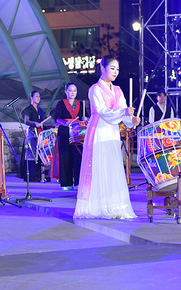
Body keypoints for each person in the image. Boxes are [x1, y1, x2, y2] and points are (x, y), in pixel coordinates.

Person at [74, 56, 140, 219]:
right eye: (112, 68)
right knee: (98, 167)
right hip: (98, 131)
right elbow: (102, 111)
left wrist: (132, 120)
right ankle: (96, 207)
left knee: (112, 167)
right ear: (102, 68)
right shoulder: (95, 89)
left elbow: (123, 113)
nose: (115, 72)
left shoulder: (117, 90)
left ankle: (113, 205)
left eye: (117, 69)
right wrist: (123, 113)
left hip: (112, 132)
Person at [54, 83, 83, 190]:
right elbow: (56, 118)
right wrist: (65, 123)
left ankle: (79, 182)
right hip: (64, 133)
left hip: (77, 133)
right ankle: (66, 183)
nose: (72, 92)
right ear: (66, 92)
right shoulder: (61, 104)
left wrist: (85, 118)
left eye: (74, 90)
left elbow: (85, 117)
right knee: (65, 157)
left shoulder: (81, 104)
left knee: (78, 157)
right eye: (70, 90)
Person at [22, 90, 47, 182]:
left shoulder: (40, 110)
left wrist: (53, 124)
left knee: (40, 155)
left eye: (39, 96)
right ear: (31, 98)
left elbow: (44, 121)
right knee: (32, 155)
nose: (38, 98)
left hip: (40, 135)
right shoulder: (28, 109)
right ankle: (31, 176)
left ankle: (39, 176)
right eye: (36, 96)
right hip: (31, 135)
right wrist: (35, 123)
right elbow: (26, 121)